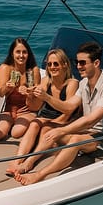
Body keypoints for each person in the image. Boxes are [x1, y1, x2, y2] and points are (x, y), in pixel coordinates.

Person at [15, 41, 103, 185]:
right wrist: (46, 97)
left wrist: (62, 131)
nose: (78, 66)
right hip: (90, 134)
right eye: (77, 62)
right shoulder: (84, 83)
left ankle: (39, 175)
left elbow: (90, 120)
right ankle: (29, 161)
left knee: (74, 139)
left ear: (96, 63)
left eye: (82, 62)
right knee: (49, 129)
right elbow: (69, 107)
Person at [5, 48, 79, 176]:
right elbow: (34, 107)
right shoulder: (46, 81)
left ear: (65, 65)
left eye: (56, 64)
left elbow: (68, 111)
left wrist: (47, 101)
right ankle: (17, 160)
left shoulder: (72, 83)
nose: (52, 67)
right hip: (46, 116)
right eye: (49, 64)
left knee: (45, 128)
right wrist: (29, 95)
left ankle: (30, 162)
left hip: (64, 119)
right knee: (34, 124)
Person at [0, 38, 42, 140]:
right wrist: (7, 87)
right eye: (18, 52)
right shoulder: (5, 68)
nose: (21, 55)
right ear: (12, 54)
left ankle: (20, 127)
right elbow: (1, 93)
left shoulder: (34, 70)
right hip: (9, 110)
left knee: (16, 133)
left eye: (24, 52)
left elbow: (37, 102)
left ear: (28, 54)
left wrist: (29, 94)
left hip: (27, 111)